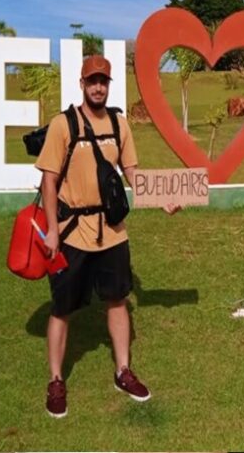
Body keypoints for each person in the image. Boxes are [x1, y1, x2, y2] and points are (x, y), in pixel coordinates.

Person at [35, 55, 179, 419]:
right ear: (82, 84)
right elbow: (48, 181)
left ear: (109, 84)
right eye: (92, 80)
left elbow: (132, 172)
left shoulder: (119, 123)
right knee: (63, 307)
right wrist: (52, 230)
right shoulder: (63, 125)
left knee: (117, 301)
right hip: (71, 234)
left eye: (104, 81)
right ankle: (55, 380)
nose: (98, 86)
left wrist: (162, 199)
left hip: (112, 233)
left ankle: (123, 371)